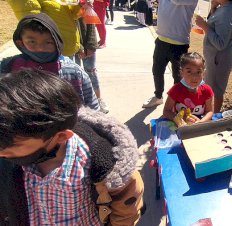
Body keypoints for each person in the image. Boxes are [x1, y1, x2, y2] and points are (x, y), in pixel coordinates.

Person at [0, 69, 144, 226]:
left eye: (11, 146)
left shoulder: (105, 163)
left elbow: (126, 208)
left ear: (60, 137)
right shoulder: (8, 163)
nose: (2, 151)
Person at [0, 13, 100, 111]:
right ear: (20, 43)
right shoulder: (8, 67)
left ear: (57, 43)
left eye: (48, 42)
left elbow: (92, 107)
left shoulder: (73, 72)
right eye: (32, 42)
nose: (40, 48)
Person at [142, 0, 198, 108]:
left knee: (178, 76)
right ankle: (158, 97)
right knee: (157, 71)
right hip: (161, 39)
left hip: (179, 43)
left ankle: (176, 102)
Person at [195, 0, 232, 113]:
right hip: (216, 59)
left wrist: (204, 26)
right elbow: (215, 26)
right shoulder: (225, 7)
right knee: (212, 87)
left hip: (218, 60)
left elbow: (220, 43)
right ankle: (210, 115)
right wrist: (213, 9)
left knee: (215, 90)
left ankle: (213, 116)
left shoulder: (226, 14)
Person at [7, 0, 82, 57]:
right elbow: (33, 23)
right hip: (48, 53)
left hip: (66, 48)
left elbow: (72, 14)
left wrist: (81, 5)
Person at [163, 52, 214, 122]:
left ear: (204, 73)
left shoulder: (207, 90)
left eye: (198, 72)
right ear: (182, 73)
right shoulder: (175, 90)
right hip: (180, 125)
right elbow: (166, 111)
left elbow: (209, 111)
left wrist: (200, 122)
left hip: (200, 123)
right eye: (189, 71)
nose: (194, 77)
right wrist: (178, 119)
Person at [77, 16, 110, 113]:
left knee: (91, 71)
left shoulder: (84, 3)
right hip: (69, 45)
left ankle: (98, 100)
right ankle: (77, 103)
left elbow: (91, 23)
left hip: (86, 41)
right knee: (73, 75)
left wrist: (91, 45)